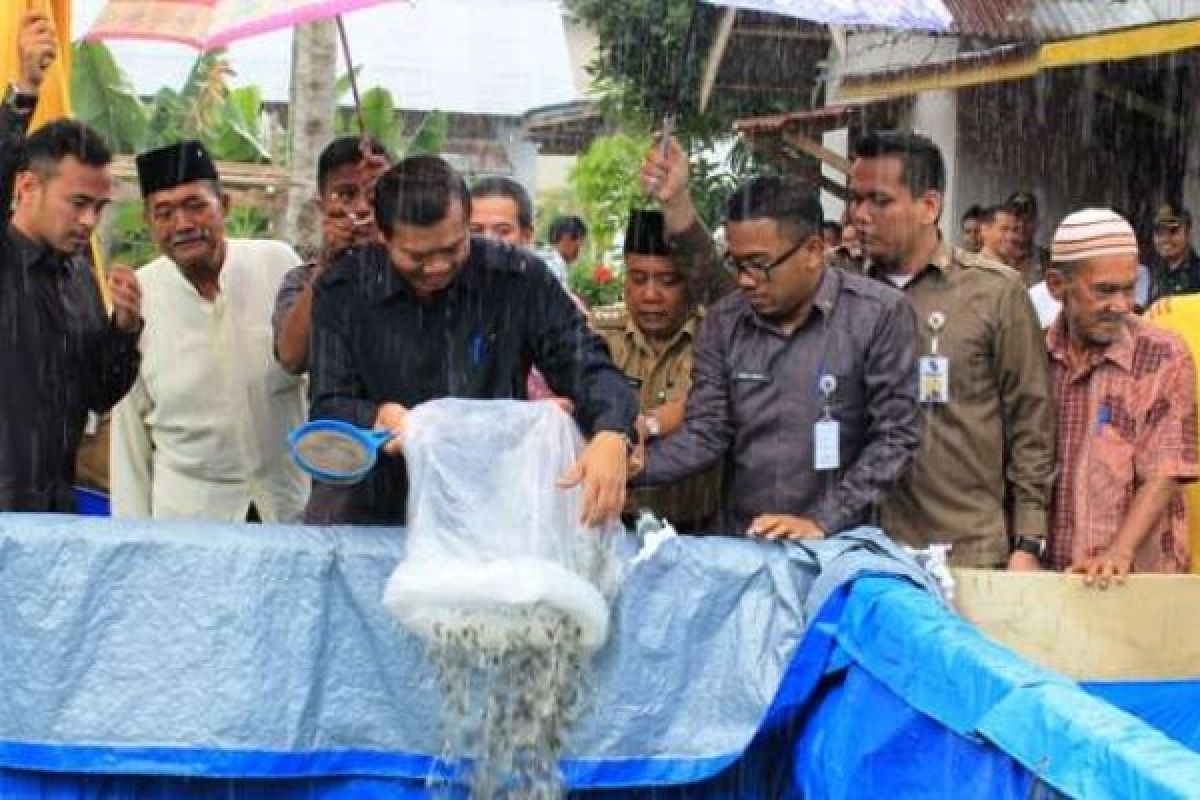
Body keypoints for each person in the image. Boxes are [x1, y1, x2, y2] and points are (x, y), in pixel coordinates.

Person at [308, 155, 638, 526]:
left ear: (467, 224)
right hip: (377, 506)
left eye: (451, 250)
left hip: (491, 507)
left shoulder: (517, 279)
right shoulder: (344, 290)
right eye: (416, 256)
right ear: (383, 237)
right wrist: (376, 417)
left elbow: (586, 363)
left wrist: (612, 431)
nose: (435, 267)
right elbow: (328, 403)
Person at [634, 175, 920, 539]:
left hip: (840, 550)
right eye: (737, 265)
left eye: (759, 264)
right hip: (745, 546)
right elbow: (706, 433)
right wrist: (632, 466)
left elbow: (895, 438)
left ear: (813, 251)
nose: (746, 281)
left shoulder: (878, 316)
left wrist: (821, 521)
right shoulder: (725, 323)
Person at [849, 132, 1055, 569]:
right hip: (863, 551)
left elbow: (1030, 421)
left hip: (965, 554)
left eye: (879, 201)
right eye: (856, 200)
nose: (860, 216)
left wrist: (1028, 541)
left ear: (929, 206)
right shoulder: (841, 292)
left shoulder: (994, 293)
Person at [111, 141, 308, 522]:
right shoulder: (138, 297)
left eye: (195, 205)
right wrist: (133, 542)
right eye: (164, 213)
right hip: (191, 525)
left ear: (226, 206)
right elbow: (128, 439)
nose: (182, 225)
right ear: (149, 224)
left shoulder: (279, 265)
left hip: (288, 513)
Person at [0, 12, 143, 512]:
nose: (89, 221)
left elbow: (99, 394)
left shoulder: (79, 273)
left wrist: (124, 329)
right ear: (26, 187)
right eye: (78, 202)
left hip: (54, 509)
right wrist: (24, 91)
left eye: (99, 207)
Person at [1045, 209, 1196, 586]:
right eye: (1104, 290)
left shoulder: (1164, 353)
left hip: (1140, 582)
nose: (1121, 305)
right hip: (1050, 578)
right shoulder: (1034, 352)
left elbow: (1166, 469)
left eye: (1129, 288)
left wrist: (1118, 553)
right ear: (1055, 285)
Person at [593, 210, 721, 532]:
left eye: (668, 281)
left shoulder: (717, 336)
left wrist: (643, 427)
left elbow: (709, 410)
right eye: (638, 279)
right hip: (611, 523)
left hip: (697, 525)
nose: (651, 295)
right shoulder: (597, 334)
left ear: (690, 283)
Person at [274, 136, 391, 375]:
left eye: (374, 197)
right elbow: (291, 358)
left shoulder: (421, 268)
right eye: (346, 195)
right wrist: (327, 263)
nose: (361, 208)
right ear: (323, 206)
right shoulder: (303, 279)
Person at [1148, 199, 1200, 303]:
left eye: (1173, 231)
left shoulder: (1197, 272)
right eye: (1159, 233)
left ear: (1188, 233)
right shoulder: (1156, 272)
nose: (1165, 239)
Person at [1007, 191, 1051, 287]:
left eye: (1028, 219)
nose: (1022, 225)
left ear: (1037, 223)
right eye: (1017, 219)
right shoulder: (993, 261)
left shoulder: (1049, 261)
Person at [540, 214, 587, 285]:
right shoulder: (553, 266)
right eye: (579, 240)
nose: (580, 246)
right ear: (566, 237)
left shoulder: (542, 257)